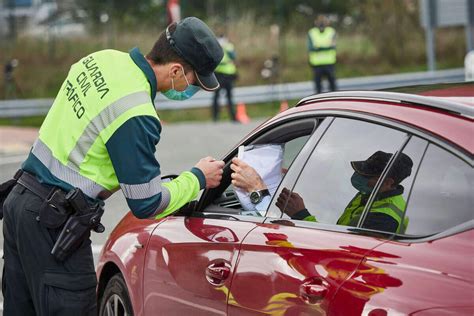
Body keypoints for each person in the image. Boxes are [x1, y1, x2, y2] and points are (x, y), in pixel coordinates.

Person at [0, 17, 225, 315]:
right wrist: (197, 178)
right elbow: (146, 202)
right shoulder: (136, 112)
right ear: (175, 71)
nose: (189, 90)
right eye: (193, 83)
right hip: (53, 225)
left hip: (19, 205)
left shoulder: (102, 60)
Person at [232, 151, 413, 233]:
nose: (358, 177)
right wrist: (295, 176)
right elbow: (332, 194)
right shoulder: (372, 194)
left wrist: (300, 215)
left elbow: (336, 247)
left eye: (366, 175)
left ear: (388, 182)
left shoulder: (382, 218)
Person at [212, 31, 238, 122]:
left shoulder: (227, 46)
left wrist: (225, 47)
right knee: (217, 97)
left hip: (226, 74)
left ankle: (232, 117)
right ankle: (215, 117)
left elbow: (233, 56)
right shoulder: (216, 46)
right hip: (220, 74)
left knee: (228, 97)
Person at [307, 15, 337, 94]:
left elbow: (333, 46)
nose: (321, 24)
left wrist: (319, 48)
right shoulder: (312, 32)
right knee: (318, 88)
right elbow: (311, 48)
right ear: (315, 22)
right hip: (316, 64)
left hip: (329, 63)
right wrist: (326, 47)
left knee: (333, 86)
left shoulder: (331, 31)